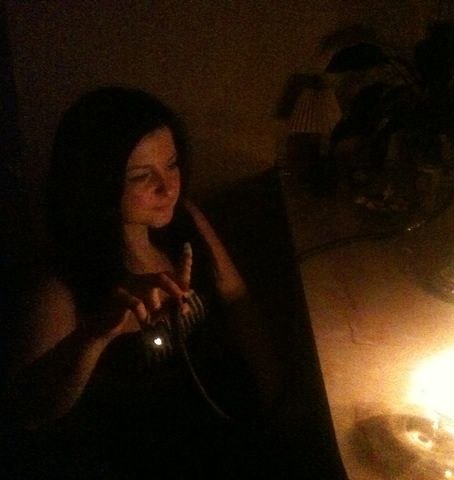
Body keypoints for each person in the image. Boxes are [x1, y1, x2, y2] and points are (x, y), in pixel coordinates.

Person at [1, 87, 283, 478]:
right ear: (97, 182)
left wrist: (275, 398)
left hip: (231, 426)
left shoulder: (185, 222)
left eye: (172, 165)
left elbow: (238, 301)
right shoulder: (60, 287)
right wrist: (96, 335)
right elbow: (31, 412)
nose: (168, 188)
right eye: (141, 176)